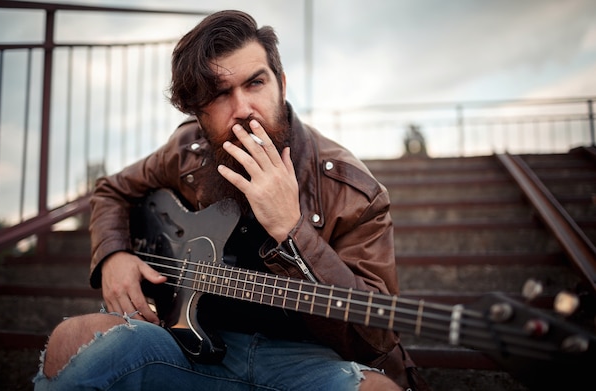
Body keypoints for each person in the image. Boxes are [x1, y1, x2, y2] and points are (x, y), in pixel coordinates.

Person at [33, 10, 427, 391]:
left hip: (314, 361)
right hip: (188, 346)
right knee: (69, 339)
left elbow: (375, 334)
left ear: (282, 84)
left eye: (255, 83)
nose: (242, 109)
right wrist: (113, 256)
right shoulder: (188, 150)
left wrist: (291, 231)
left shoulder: (354, 191)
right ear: (199, 114)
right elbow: (112, 190)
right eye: (221, 94)